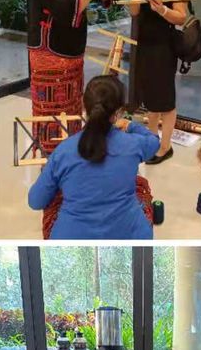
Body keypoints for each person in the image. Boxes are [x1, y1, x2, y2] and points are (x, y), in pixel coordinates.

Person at [27, 0, 121, 238]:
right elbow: (66, 7)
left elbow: (106, 3)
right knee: (51, 120)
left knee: (70, 115)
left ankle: (71, 172)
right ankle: (52, 181)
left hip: (71, 53)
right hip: (49, 55)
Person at [28, 76, 160, 239]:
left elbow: (35, 201)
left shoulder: (63, 151)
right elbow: (154, 141)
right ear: (119, 112)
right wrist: (129, 125)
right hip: (129, 234)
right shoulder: (133, 144)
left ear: (84, 106)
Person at [125, 0, 190, 164]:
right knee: (150, 97)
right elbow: (134, 13)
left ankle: (165, 146)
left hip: (164, 47)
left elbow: (181, 17)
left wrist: (162, 10)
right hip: (145, 45)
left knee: (165, 98)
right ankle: (152, 141)